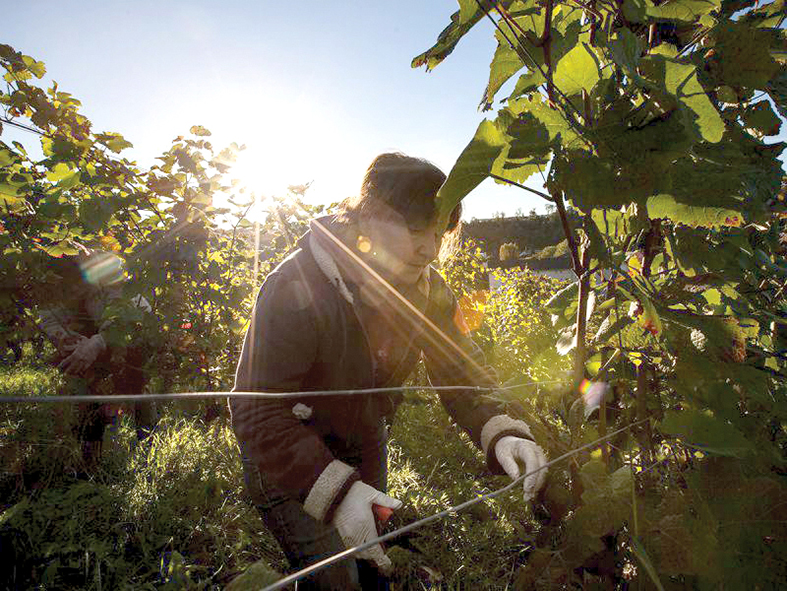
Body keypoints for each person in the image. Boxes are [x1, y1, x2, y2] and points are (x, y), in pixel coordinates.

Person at [230, 153, 548, 590]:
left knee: (373, 559)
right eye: (417, 229)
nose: (430, 249)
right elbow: (256, 413)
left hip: (364, 441)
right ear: (369, 218)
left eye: (439, 234)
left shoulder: (429, 290)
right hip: (286, 457)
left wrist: (501, 430)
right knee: (336, 579)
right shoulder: (295, 284)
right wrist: (339, 494)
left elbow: (460, 370)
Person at [38, 247, 156, 472]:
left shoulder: (108, 272)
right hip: (91, 337)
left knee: (136, 384)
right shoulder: (54, 272)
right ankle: (92, 461)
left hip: (131, 337)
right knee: (90, 392)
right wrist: (65, 338)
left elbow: (131, 316)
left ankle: (148, 449)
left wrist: (99, 343)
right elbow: (49, 317)